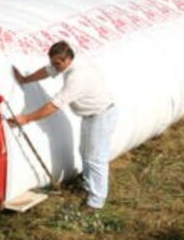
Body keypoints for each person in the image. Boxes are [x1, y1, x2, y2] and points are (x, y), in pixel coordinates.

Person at [10, 40, 118, 210]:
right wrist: (25, 80)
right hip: (92, 116)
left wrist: (26, 118)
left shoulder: (77, 78)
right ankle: (88, 188)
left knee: (96, 159)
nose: (55, 67)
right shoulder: (69, 63)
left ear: (67, 59)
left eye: (57, 64)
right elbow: (47, 71)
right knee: (86, 153)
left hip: (101, 116)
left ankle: (96, 202)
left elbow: (54, 105)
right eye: (53, 62)